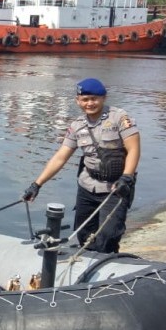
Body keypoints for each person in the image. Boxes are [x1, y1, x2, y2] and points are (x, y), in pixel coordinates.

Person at [22, 78, 140, 253]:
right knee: (83, 233)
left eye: (94, 98)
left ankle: (106, 267)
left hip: (116, 187)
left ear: (104, 98)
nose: (90, 103)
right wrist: (37, 184)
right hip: (88, 187)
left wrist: (127, 177)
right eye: (85, 99)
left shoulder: (119, 118)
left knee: (108, 235)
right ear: (78, 101)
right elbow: (60, 157)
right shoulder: (77, 126)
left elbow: (134, 149)